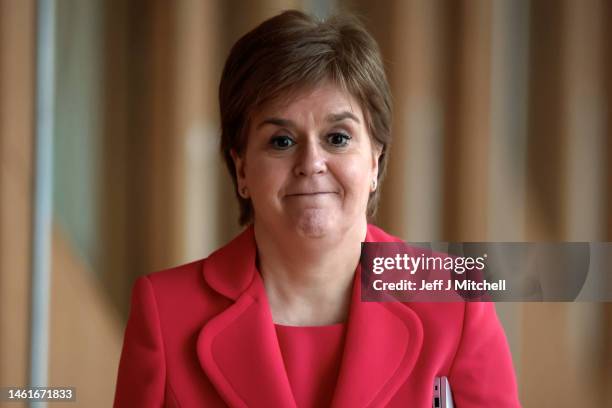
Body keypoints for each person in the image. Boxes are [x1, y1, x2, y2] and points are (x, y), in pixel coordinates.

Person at [114, 10, 520, 407]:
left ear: (375, 160)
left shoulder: (455, 302)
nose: (311, 162)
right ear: (241, 168)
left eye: (338, 138)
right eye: (281, 141)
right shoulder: (165, 312)